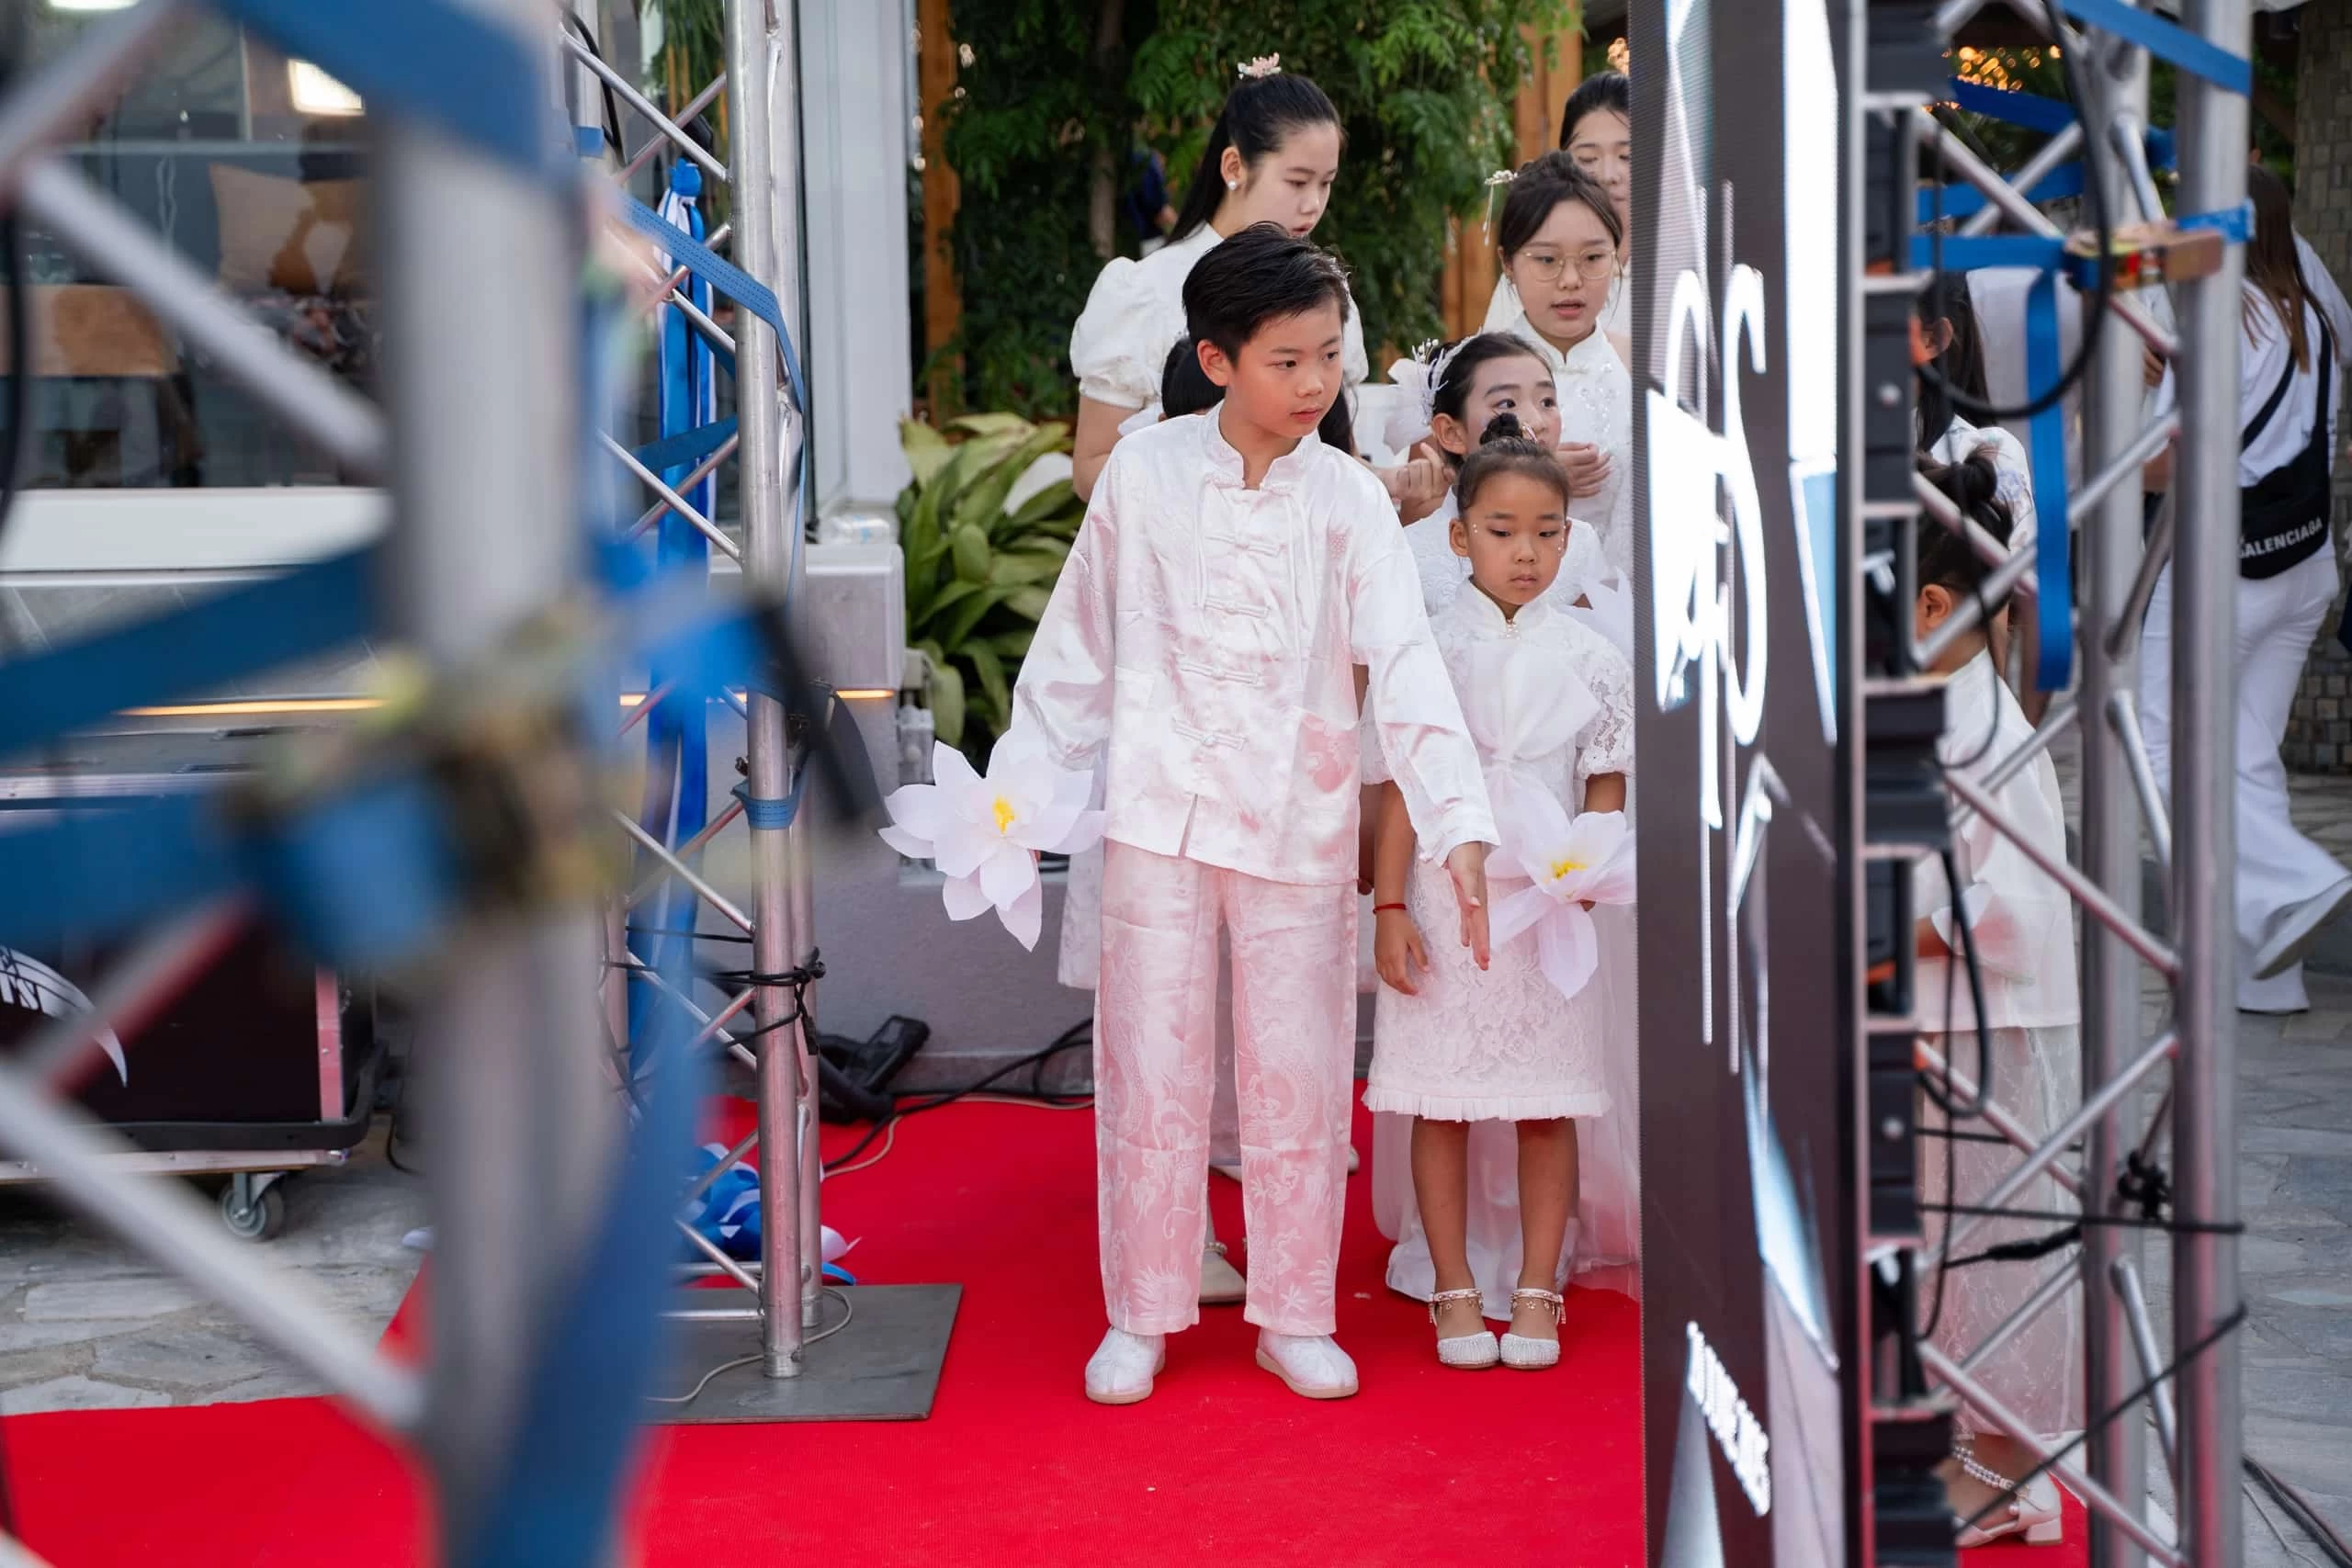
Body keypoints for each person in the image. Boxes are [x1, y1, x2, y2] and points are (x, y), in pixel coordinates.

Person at [1011, 226, 1498, 1404]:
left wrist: (1455, 820)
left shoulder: (1347, 499)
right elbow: (1076, 642)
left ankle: (1295, 1314)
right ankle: (1141, 1311)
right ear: (1216, 360)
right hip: (1159, 812)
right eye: (1287, 360)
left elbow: (1405, 662)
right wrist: (1014, 799)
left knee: (1300, 1070)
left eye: (1328, 355)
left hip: (1297, 812)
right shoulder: (1142, 473)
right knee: (1148, 1066)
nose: (1315, 382)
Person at [1364, 341, 1641, 1320]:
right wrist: (1389, 906)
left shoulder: (1592, 658)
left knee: (1546, 1098)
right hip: (1443, 903)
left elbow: (1605, 778)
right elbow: (1403, 791)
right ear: (1459, 537)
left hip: (1544, 904)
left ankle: (1534, 1286)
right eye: (1501, 531)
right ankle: (1449, 1283)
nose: (1526, 553)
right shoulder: (1428, 653)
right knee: (1438, 1101)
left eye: (1546, 533)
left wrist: (1582, 870)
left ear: (1569, 539)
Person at [1908, 454, 2082, 1548]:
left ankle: (2009, 1463)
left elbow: (2011, 908)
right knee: (1941, 1235)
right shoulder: (1935, 703)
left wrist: (1882, 940)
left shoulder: (1990, 733)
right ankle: (1962, 1434)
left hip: (1987, 1032)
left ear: (1930, 605)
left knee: (1993, 1237)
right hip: (1933, 1021)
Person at [2141, 164, 2351, 1015]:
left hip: (2224, 566)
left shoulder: (2216, 315)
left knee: (2160, 745)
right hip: (2306, 563)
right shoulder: (2317, 316)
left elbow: (2159, 461)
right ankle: (2266, 975)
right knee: (2248, 758)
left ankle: (2295, 879)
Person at [1481, 153, 1636, 578]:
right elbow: (1434, 506)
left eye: (1593, 258)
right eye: (1547, 260)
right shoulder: (1470, 373)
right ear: (1508, 263)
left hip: (1624, 595)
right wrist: (1532, 478)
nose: (1571, 280)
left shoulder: (1640, 371)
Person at [1917, 276, 2042, 708]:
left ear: (1934, 339)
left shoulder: (1987, 453)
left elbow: (2005, 609)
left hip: (1952, 718)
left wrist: (2009, 731)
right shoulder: (1818, 447)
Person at [1555, 70, 1633, 338]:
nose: (1608, 176)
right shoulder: (1536, 261)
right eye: (1588, 159)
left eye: (1627, 156)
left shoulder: (1681, 265)